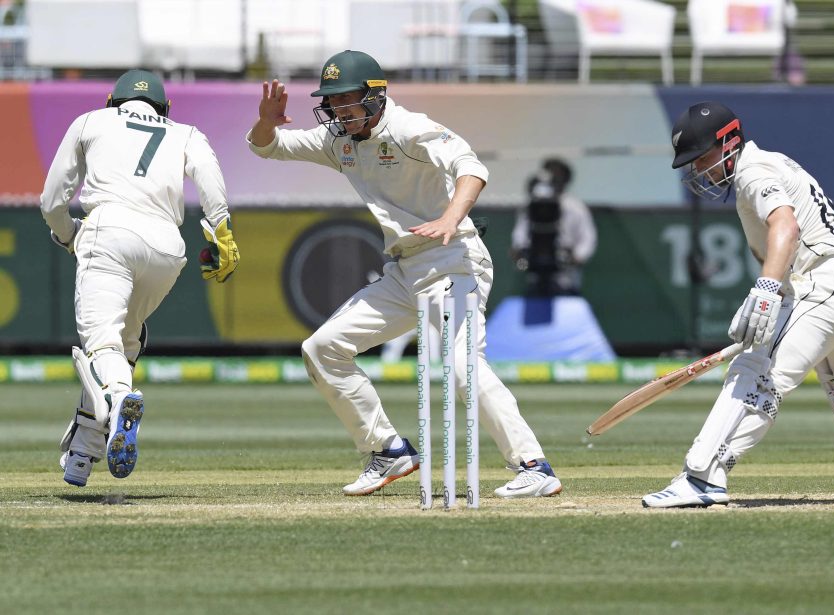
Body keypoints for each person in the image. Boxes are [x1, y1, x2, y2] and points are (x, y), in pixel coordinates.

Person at [247, 49, 562, 499]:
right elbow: (267, 147)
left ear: (376, 97)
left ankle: (533, 465)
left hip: (455, 258)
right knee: (322, 348)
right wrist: (266, 121)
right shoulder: (340, 141)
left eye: (347, 101)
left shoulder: (411, 127)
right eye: (331, 102)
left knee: (460, 366)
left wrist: (452, 217)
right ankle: (388, 450)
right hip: (405, 269)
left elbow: (472, 167)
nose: (338, 111)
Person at [643, 101, 834, 508]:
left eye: (702, 158)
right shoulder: (775, 161)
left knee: (757, 367)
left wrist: (766, 289)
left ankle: (703, 476)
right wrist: (776, 293)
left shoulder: (753, 171)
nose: (699, 170)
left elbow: (785, 224)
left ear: (729, 141)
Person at [41, 69, 240, 487]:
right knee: (124, 345)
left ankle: (116, 402)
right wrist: (221, 232)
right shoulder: (185, 132)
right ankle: (83, 452)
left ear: (112, 99)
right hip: (168, 248)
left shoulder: (91, 120)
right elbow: (211, 181)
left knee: (101, 346)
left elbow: (52, 198)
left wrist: (67, 235)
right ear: (166, 108)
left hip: (109, 232)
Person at [511, 158, 597, 295]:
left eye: (557, 175)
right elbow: (520, 233)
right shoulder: (531, 204)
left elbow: (588, 239)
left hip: (566, 280)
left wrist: (576, 257)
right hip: (535, 278)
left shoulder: (576, 207)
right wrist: (520, 250)